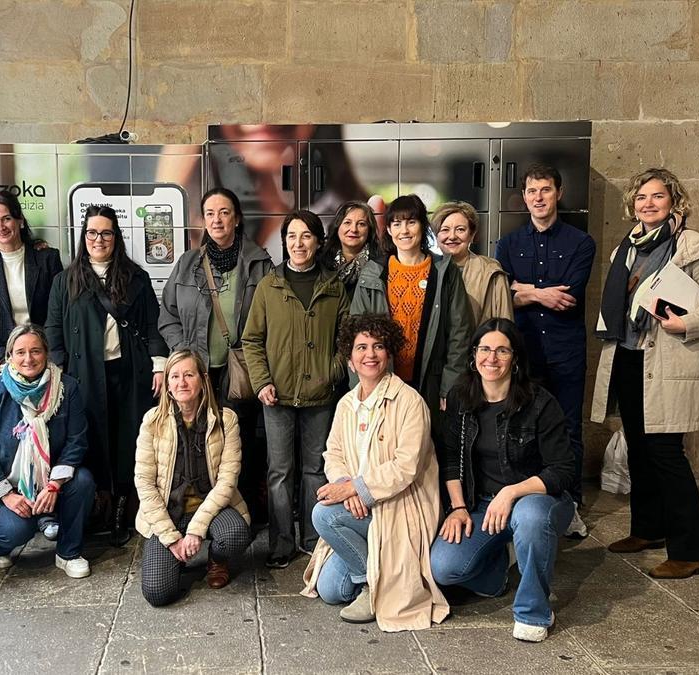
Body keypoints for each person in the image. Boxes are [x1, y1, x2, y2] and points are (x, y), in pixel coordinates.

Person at [592, 168, 699, 580]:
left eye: (657, 196)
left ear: (674, 201)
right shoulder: (627, 247)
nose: (648, 204)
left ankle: (691, 550)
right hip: (629, 357)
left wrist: (686, 323)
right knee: (638, 448)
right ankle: (648, 528)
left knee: (667, 454)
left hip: (668, 360)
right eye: (641, 197)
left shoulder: (693, 246)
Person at [430, 319, 578, 643]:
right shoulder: (460, 398)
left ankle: (532, 612)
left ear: (515, 358)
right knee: (444, 567)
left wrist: (512, 492)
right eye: (484, 349)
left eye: (502, 351)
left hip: (537, 500)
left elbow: (564, 469)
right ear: (473, 355)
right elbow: (451, 458)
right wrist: (458, 507)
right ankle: (498, 569)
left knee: (530, 518)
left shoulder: (540, 402)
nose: (492, 358)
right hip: (483, 505)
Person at [300, 315, 449, 631]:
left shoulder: (409, 401)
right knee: (330, 590)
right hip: (361, 506)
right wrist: (345, 484)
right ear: (350, 360)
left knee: (323, 515)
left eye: (378, 346)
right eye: (361, 347)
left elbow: (405, 467)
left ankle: (371, 582)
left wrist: (356, 488)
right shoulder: (346, 404)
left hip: (399, 507)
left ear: (389, 353)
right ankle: (369, 570)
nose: (370, 354)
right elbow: (333, 453)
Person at [46, 205, 167, 545]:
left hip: (129, 373)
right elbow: (53, 331)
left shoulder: (136, 278)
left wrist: (159, 364)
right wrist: (59, 374)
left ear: (116, 237)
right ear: (83, 237)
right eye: (92, 233)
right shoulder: (65, 281)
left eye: (106, 233)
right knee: (94, 441)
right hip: (84, 376)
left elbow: (152, 326)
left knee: (128, 440)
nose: (98, 239)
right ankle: (100, 504)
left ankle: (123, 510)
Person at [158, 188, 272, 523]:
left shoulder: (259, 264)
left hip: (240, 372)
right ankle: (202, 514)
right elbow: (168, 315)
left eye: (224, 212)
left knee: (241, 443)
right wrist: (184, 353)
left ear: (237, 219)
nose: (217, 220)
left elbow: (272, 319)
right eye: (210, 213)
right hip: (199, 372)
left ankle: (243, 515)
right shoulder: (187, 264)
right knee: (201, 441)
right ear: (203, 220)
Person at [241, 210, 349, 568]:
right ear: (284, 242)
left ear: (318, 242)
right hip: (277, 396)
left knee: (314, 470)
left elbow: (346, 340)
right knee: (279, 472)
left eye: (306, 236)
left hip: (320, 395)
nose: (298, 243)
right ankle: (281, 543)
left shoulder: (334, 287)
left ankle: (314, 539)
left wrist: (330, 373)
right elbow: (252, 340)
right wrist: (262, 382)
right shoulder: (268, 286)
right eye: (291, 236)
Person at [494, 164, 594, 538]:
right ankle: (530, 502)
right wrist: (539, 293)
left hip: (566, 351)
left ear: (558, 193)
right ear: (524, 197)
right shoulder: (507, 244)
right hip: (524, 352)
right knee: (524, 428)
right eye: (532, 191)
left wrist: (523, 290)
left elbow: (569, 296)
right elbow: (502, 294)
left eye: (545, 190)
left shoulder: (581, 243)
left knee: (568, 427)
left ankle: (571, 505)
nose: (538, 197)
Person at [0, 323, 96, 576]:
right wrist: (7, 495)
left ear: (46, 353)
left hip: (50, 481)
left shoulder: (66, 387)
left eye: (35, 351)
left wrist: (54, 485)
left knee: (83, 481)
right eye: (20, 352)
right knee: (17, 530)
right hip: (7, 483)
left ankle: (68, 553)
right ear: (10, 356)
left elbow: (76, 440)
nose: (28, 359)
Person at [133, 351, 253, 606]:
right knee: (158, 593)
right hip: (169, 512)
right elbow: (144, 484)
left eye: (189, 375)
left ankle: (216, 559)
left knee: (235, 534)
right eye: (175, 376)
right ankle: (176, 556)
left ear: (203, 379)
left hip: (211, 507)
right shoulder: (152, 421)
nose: (182, 382)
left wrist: (196, 531)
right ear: (167, 384)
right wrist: (171, 539)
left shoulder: (225, 420)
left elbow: (227, 481)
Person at [350, 194, 472, 413]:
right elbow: (355, 332)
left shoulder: (444, 272)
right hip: (381, 382)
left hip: (431, 384)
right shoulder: (373, 273)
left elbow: (460, 334)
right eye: (397, 224)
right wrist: (360, 386)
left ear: (423, 226)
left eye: (411, 222)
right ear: (389, 230)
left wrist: (449, 388)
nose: (404, 231)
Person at [0, 190, 64, 386]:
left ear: (20, 221)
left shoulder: (47, 258)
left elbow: (57, 314)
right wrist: (4, 360)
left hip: (42, 364)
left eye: (7, 219)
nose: (0, 227)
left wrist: (43, 356)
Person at [433, 201, 513, 325]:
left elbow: (505, 323)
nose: (452, 236)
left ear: (472, 235)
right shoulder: (428, 269)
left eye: (460, 229)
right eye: (445, 230)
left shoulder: (490, 270)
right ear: (436, 236)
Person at [320, 200, 382, 299]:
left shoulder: (380, 266)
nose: (353, 229)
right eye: (347, 222)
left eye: (361, 224)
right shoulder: (321, 262)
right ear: (337, 227)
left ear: (369, 230)